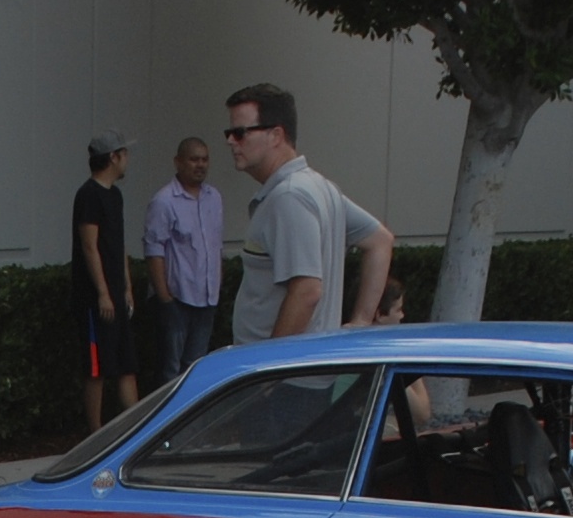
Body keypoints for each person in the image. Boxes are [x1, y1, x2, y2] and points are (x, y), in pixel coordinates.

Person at [225, 82, 394, 345]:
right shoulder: (319, 188)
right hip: (305, 362)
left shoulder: (289, 196)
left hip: (284, 367)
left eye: (239, 133)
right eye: (229, 133)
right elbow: (380, 240)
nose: (230, 141)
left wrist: (270, 363)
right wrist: (361, 321)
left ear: (276, 135)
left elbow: (306, 291)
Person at [142, 135, 224, 384]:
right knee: (170, 371)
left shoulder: (214, 197)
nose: (201, 165)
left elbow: (216, 245)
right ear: (178, 162)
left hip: (207, 300)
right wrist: (165, 298)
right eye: (194, 159)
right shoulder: (164, 201)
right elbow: (154, 250)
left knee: (196, 369)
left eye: (205, 160)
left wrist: (217, 285)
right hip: (177, 300)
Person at [75, 135, 138, 430]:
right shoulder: (89, 195)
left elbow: (118, 243)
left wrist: (126, 286)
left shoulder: (116, 196)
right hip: (95, 298)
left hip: (117, 293)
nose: (127, 160)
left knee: (126, 363)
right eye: (125, 153)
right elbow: (89, 246)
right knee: (97, 367)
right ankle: (94, 433)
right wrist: (102, 292)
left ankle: (137, 428)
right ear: (113, 157)